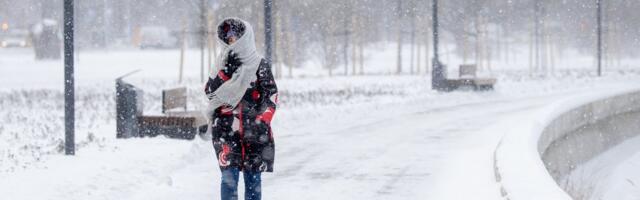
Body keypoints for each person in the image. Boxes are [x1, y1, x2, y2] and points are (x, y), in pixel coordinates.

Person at [204, 18, 278, 200]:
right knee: (229, 178)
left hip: (255, 130)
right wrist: (225, 74)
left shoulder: (259, 65)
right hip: (225, 130)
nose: (232, 42)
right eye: (228, 39)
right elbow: (209, 92)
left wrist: (262, 120)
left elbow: (271, 95)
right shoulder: (221, 63)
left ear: (245, 37)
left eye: (236, 37)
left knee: (253, 179)